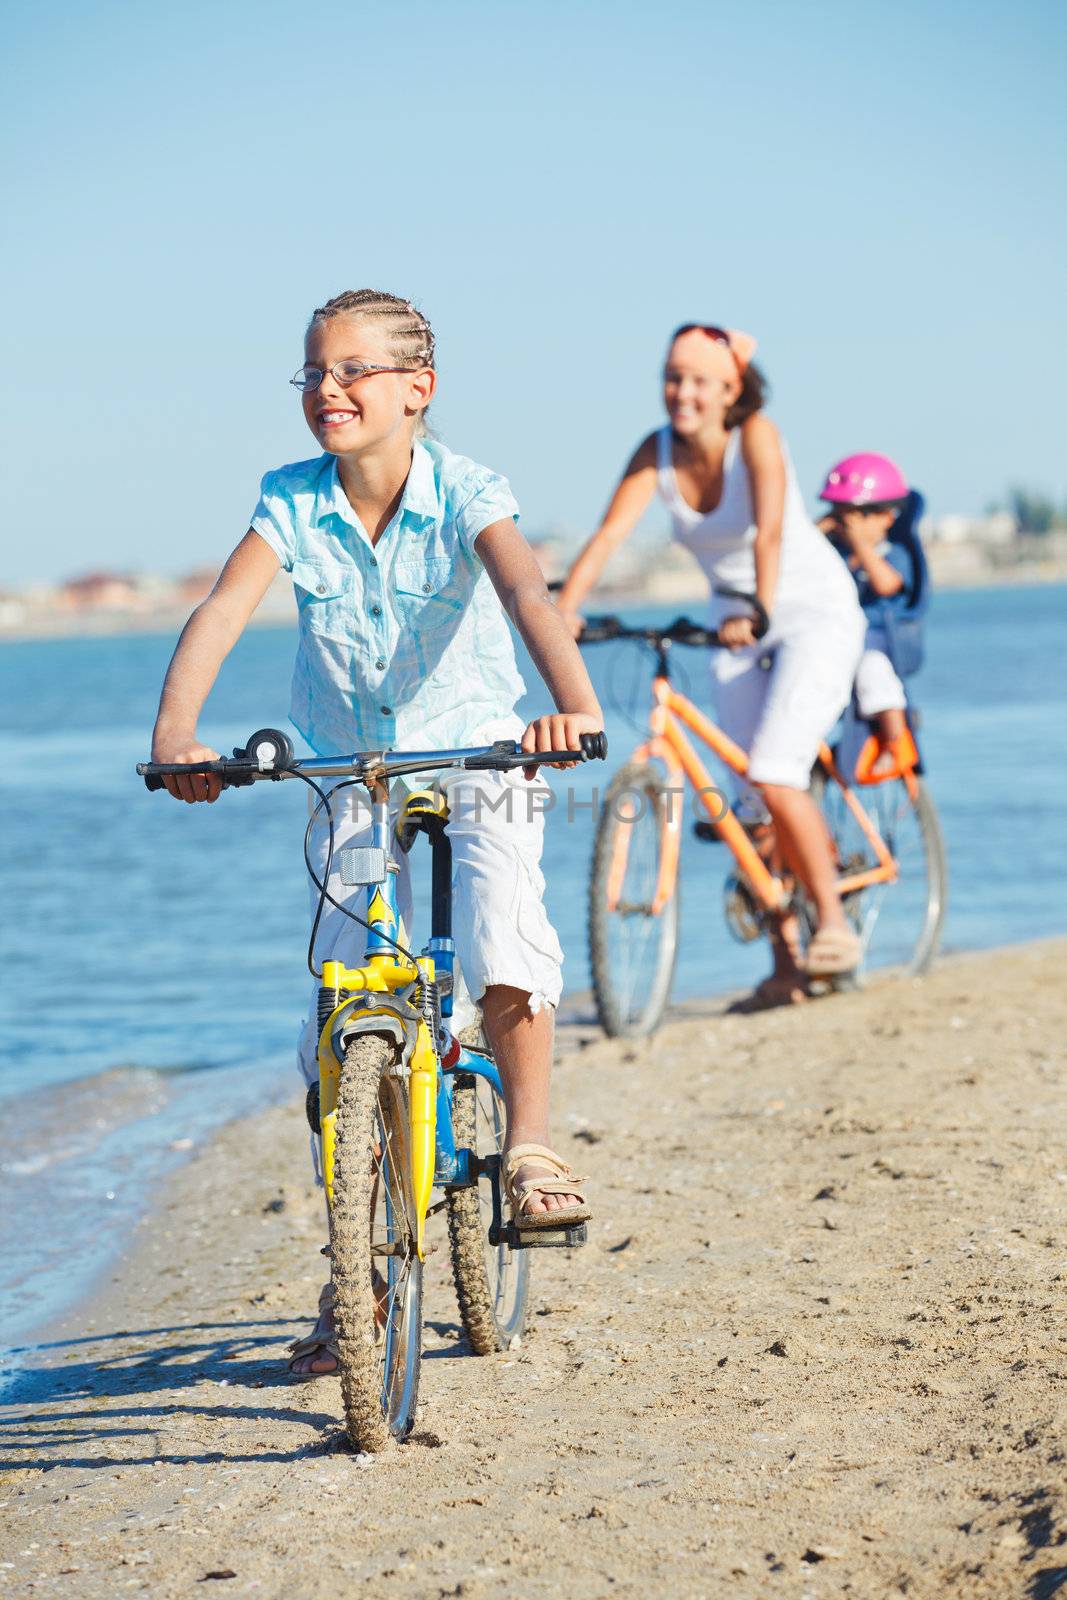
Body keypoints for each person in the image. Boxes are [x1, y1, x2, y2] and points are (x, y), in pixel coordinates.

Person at [148, 288, 604, 1374]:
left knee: (499, 928)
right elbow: (220, 611)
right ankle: (353, 1262)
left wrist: (571, 707)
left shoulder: (464, 490)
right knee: (347, 988)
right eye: (312, 372)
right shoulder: (290, 501)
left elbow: (527, 592)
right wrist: (179, 733)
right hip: (349, 758)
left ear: (416, 390)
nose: (328, 390)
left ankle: (530, 1146)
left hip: (486, 745)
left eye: (353, 370)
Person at [556, 323, 866, 1008]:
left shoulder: (756, 435)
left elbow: (774, 529)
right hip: (734, 628)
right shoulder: (655, 451)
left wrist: (756, 605)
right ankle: (787, 963)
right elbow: (609, 533)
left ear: (730, 387)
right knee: (744, 805)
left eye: (698, 379)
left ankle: (836, 926)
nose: (682, 392)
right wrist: (564, 611)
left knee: (778, 770)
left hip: (808, 613)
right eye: (673, 376)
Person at [817, 452, 925, 780]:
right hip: (836, 639)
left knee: (871, 667)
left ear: (888, 516)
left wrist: (860, 544)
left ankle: (896, 741)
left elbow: (887, 583)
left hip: (881, 639)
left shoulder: (896, 552)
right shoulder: (835, 553)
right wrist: (821, 530)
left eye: (857, 515)